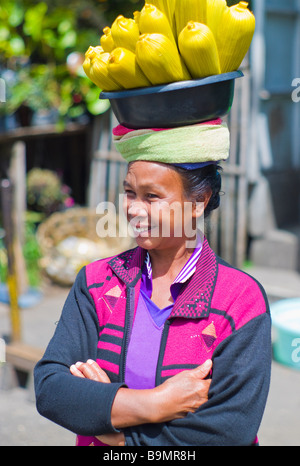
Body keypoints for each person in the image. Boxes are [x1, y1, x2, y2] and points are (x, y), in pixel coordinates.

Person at [34, 119, 272, 446]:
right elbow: (52, 390)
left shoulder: (240, 299)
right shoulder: (96, 283)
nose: (134, 209)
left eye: (152, 196)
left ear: (198, 201)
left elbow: (230, 428)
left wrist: (116, 431)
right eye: (130, 193)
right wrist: (157, 403)